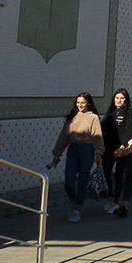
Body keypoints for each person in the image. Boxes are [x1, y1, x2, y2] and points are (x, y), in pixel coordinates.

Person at [48, 93, 104, 222]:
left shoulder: (93, 118)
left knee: (82, 179)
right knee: (69, 181)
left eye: (83, 102)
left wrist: (99, 153)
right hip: (73, 150)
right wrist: (57, 153)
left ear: (88, 103)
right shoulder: (72, 117)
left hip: (87, 150)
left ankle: (77, 208)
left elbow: (97, 136)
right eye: (78, 102)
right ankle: (75, 199)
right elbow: (64, 137)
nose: (80, 105)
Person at [101, 89, 132, 214]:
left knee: (119, 174)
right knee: (107, 171)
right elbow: (102, 127)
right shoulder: (111, 111)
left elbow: (129, 130)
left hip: (122, 148)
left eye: (122, 98)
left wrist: (122, 146)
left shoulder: (130, 112)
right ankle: (111, 194)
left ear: (126, 99)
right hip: (108, 147)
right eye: (117, 98)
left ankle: (116, 201)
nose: (119, 101)